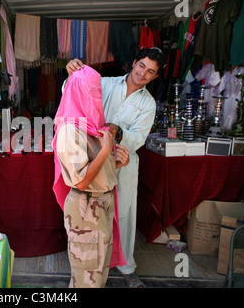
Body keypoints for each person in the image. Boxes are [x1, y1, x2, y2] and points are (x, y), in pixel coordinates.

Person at [65, 47, 166, 288]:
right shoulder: (105, 82)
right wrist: (72, 75)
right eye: (141, 66)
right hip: (92, 158)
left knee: (124, 215)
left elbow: (139, 137)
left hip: (124, 162)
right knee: (89, 212)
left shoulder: (148, 103)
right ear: (134, 63)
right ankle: (84, 265)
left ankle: (126, 267)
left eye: (150, 71)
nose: (143, 73)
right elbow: (75, 93)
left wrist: (118, 132)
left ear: (155, 77)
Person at [53, 65, 130, 288]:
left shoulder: (92, 126)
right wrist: (106, 150)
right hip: (87, 207)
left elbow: (97, 173)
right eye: (90, 90)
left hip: (101, 204)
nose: (95, 96)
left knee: (97, 275)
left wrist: (117, 163)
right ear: (76, 92)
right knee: (87, 279)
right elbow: (81, 181)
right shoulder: (70, 130)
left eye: (98, 90)